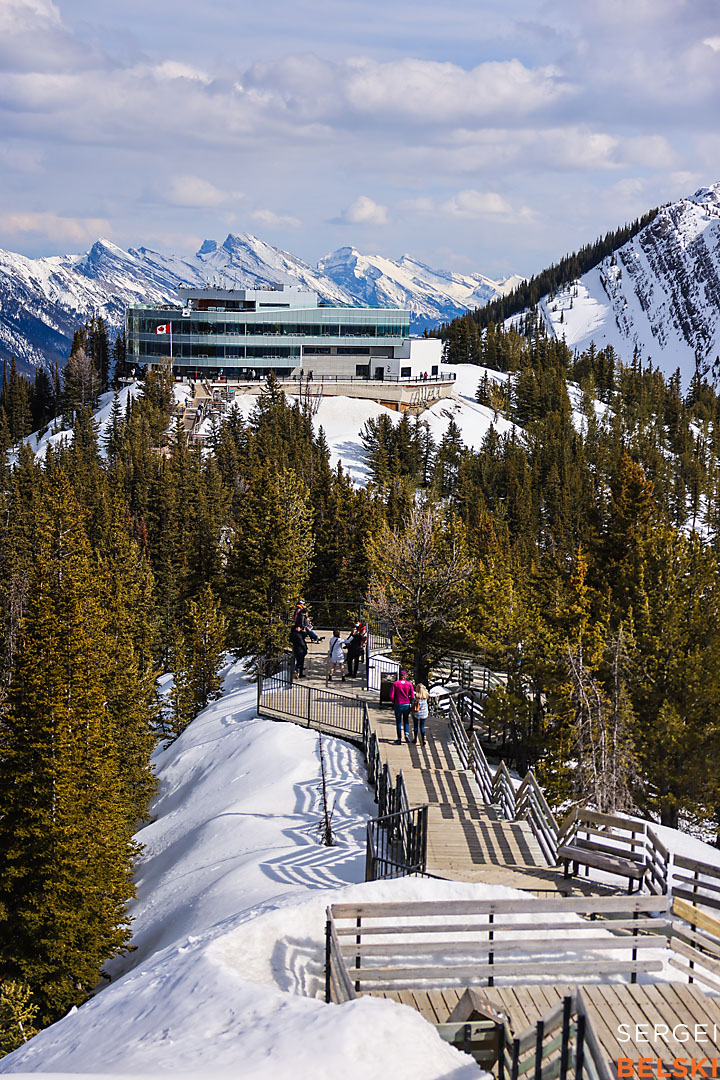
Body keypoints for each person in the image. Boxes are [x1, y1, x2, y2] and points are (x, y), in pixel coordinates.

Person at [390, 670, 415, 744]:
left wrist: (394, 701)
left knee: (398, 721)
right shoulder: (409, 684)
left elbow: (391, 696)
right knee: (406, 720)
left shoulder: (395, 684)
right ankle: (406, 734)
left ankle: (399, 738)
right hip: (406, 704)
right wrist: (410, 701)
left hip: (398, 704)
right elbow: (412, 696)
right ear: (405, 676)